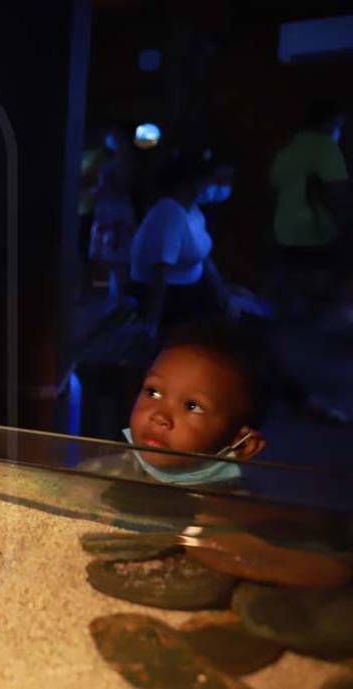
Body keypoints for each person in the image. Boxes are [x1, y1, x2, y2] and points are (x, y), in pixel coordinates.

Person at [124, 320, 271, 486]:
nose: (160, 416)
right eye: (153, 392)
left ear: (243, 444)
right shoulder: (99, 471)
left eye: (192, 406)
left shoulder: (236, 509)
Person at [129, 151, 238, 337]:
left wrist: (222, 291)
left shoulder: (193, 211)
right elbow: (160, 273)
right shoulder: (169, 213)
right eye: (216, 181)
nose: (219, 188)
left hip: (190, 293)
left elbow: (203, 257)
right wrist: (151, 324)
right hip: (173, 301)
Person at [269, 99, 349, 317]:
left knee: (296, 280)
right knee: (322, 280)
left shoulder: (288, 147)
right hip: (316, 230)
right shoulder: (326, 147)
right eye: (338, 125)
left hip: (284, 229)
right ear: (328, 123)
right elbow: (337, 190)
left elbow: (275, 189)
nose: (339, 131)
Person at [89, 126, 137, 306]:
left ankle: (120, 295)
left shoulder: (123, 165)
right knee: (104, 253)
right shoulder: (113, 162)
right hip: (107, 211)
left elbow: (121, 189)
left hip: (116, 212)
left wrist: (101, 189)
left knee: (118, 254)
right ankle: (109, 292)